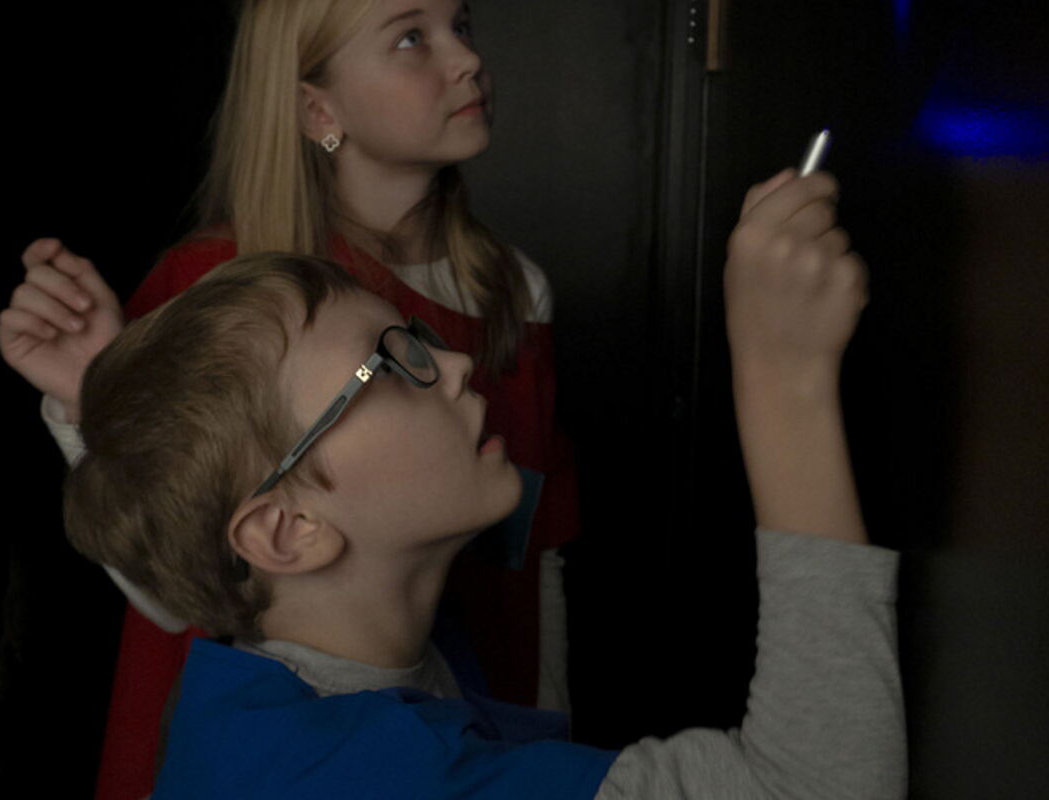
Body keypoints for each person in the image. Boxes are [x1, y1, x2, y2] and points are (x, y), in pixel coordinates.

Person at [60, 165, 906, 798]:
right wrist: (784, 375)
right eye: (390, 367)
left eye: (416, 338)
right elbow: (814, 788)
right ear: (287, 530)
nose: (459, 366)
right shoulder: (367, 776)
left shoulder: (334, 659)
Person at [0, 1, 576, 794]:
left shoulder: (513, 289)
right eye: (412, 38)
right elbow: (183, 584)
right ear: (316, 109)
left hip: (460, 711)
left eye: (462, 26)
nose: (467, 60)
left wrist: (551, 725)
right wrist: (91, 398)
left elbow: (534, 549)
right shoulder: (214, 285)